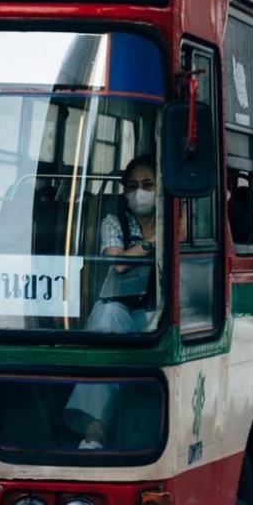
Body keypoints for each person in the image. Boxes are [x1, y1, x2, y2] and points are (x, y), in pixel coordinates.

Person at [66, 154, 160, 449]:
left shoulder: (174, 218)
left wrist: (141, 249)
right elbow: (118, 262)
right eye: (132, 186)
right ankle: (96, 431)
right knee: (107, 321)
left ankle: (97, 429)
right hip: (120, 307)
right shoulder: (114, 220)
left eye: (147, 185)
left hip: (159, 311)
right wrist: (152, 244)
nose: (139, 193)